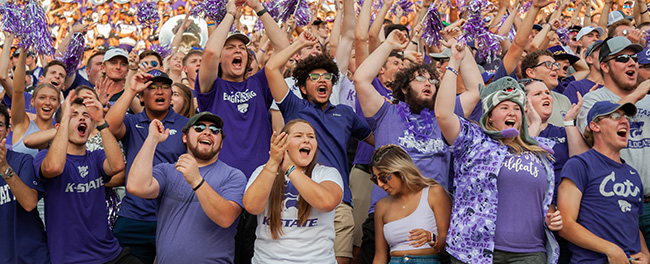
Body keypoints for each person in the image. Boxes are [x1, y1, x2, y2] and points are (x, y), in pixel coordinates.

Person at [435, 44, 562, 263]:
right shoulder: (472, 141)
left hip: (530, 253)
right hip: (476, 252)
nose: (512, 112)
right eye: (504, 107)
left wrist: (552, 219)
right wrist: (454, 63)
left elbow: (543, 201)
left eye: (516, 108)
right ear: (490, 117)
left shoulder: (541, 150)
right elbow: (443, 114)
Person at [265, 30, 373, 264]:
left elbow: (377, 138)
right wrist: (300, 43)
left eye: (327, 77)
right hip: (298, 201)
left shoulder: (346, 113)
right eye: (314, 77)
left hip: (339, 202)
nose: (322, 80)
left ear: (333, 85)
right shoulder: (295, 107)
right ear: (303, 88)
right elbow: (272, 69)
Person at [34, 90, 140, 263]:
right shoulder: (44, 157)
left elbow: (118, 166)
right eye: (73, 115)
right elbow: (54, 167)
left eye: (86, 115)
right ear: (59, 127)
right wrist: (65, 118)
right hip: (72, 259)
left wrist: (100, 121)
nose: (82, 118)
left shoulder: (96, 156)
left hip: (110, 253)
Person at [127, 112, 246, 263]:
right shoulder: (167, 171)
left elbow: (226, 218)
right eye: (199, 127)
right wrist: (152, 139)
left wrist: (197, 181)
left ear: (221, 143)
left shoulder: (233, 176)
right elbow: (136, 186)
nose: (207, 132)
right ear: (185, 137)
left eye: (215, 130)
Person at [105, 69, 189, 264]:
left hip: (172, 217)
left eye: (165, 87)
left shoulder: (186, 125)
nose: (160, 92)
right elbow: (108, 127)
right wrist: (131, 90)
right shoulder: (132, 122)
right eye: (153, 88)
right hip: (134, 216)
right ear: (141, 96)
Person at [575, 37, 650, 249]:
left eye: (635, 58)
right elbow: (593, 127)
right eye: (623, 58)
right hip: (616, 203)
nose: (632, 63)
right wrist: (637, 94)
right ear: (605, 66)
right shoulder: (593, 100)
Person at [558, 101, 650, 264]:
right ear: (594, 126)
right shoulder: (579, 165)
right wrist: (609, 249)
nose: (624, 121)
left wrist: (645, 254)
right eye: (615, 116)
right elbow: (565, 224)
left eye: (626, 117)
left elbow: (633, 223)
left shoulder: (633, 174)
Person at [243, 119, 343, 263]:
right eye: (298, 136)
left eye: (311, 137)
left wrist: (290, 168)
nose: (306, 140)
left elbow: (327, 202)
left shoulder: (326, 173)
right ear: (283, 143)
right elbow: (252, 206)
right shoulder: (263, 171)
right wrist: (273, 163)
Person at [371, 144, 451, 264]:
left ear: (401, 171)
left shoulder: (434, 193)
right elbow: (380, 257)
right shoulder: (381, 206)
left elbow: (449, 247)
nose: (380, 184)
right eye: (375, 179)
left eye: (383, 178)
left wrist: (431, 239)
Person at [0, 104, 49, 263]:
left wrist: (4, 168)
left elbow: (29, 203)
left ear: (7, 131)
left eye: (0, 125)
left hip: (32, 256)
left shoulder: (22, 160)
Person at [10, 49, 60, 157]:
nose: (47, 102)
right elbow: (18, 90)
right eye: (42, 97)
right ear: (32, 101)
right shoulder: (22, 124)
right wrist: (23, 52)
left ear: (58, 104)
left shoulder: (61, 132)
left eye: (53, 99)